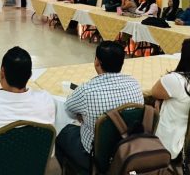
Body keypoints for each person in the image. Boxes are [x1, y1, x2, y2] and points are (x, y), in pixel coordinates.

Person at [55, 41, 144, 171]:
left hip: (94, 154)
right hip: (127, 148)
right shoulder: (135, 84)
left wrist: (83, 115)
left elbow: (68, 110)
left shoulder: (87, 90)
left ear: (97, 62)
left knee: (63, 133)